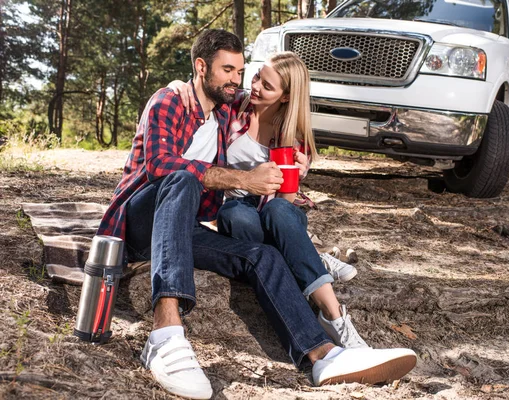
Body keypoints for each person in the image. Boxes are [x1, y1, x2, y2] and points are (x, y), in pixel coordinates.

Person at [97, 29, 417, 400]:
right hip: (138, 223)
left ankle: (323, 354)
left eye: (240, 71)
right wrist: (244, 179)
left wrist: (298, 165)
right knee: (182, 177)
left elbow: (273, 107)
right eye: (228, 70)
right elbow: (159, 165)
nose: (238, 81)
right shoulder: (169, 101)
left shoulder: (224, 114)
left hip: (182, 229)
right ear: (201, 68)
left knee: (261, 255)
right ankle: (165, 335)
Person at [168, 52, 367, 350]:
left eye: (268, 85)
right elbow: (200, 91)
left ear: (286, 97)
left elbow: (284, 205)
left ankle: (334, 315)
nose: (256, 86)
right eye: (258, 76)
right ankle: (308, 257)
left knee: (278, 210)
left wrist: (294, 177)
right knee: (237, 215)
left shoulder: (294, 137)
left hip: (275, 214)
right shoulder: (236, 105)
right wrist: (177, 85)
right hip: (233, 206)